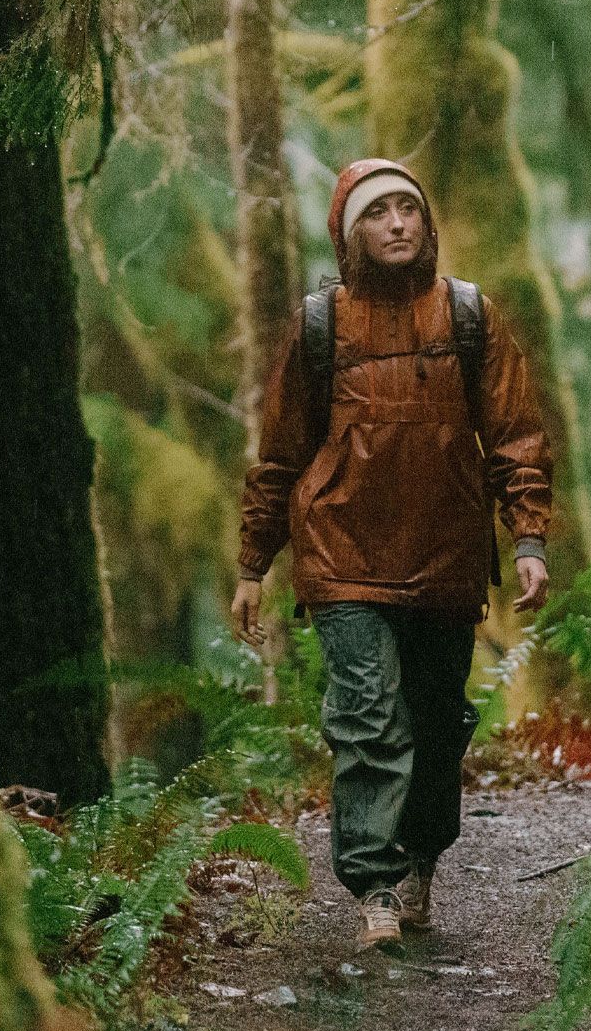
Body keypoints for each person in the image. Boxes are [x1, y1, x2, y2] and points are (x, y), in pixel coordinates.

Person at [231, 159, 553, 951]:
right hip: (342, 552)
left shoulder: (469, 316)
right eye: (378, 214)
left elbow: (515, 437)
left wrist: (529, 540)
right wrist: (251, 563)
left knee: (435, 721)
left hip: (443, 554)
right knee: (368, 716)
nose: (398, 224)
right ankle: (372, 884)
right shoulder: (320, 327)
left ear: (427, 221)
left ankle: (418, 859)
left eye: (409, 207)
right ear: (351, 234)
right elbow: (278, 455)